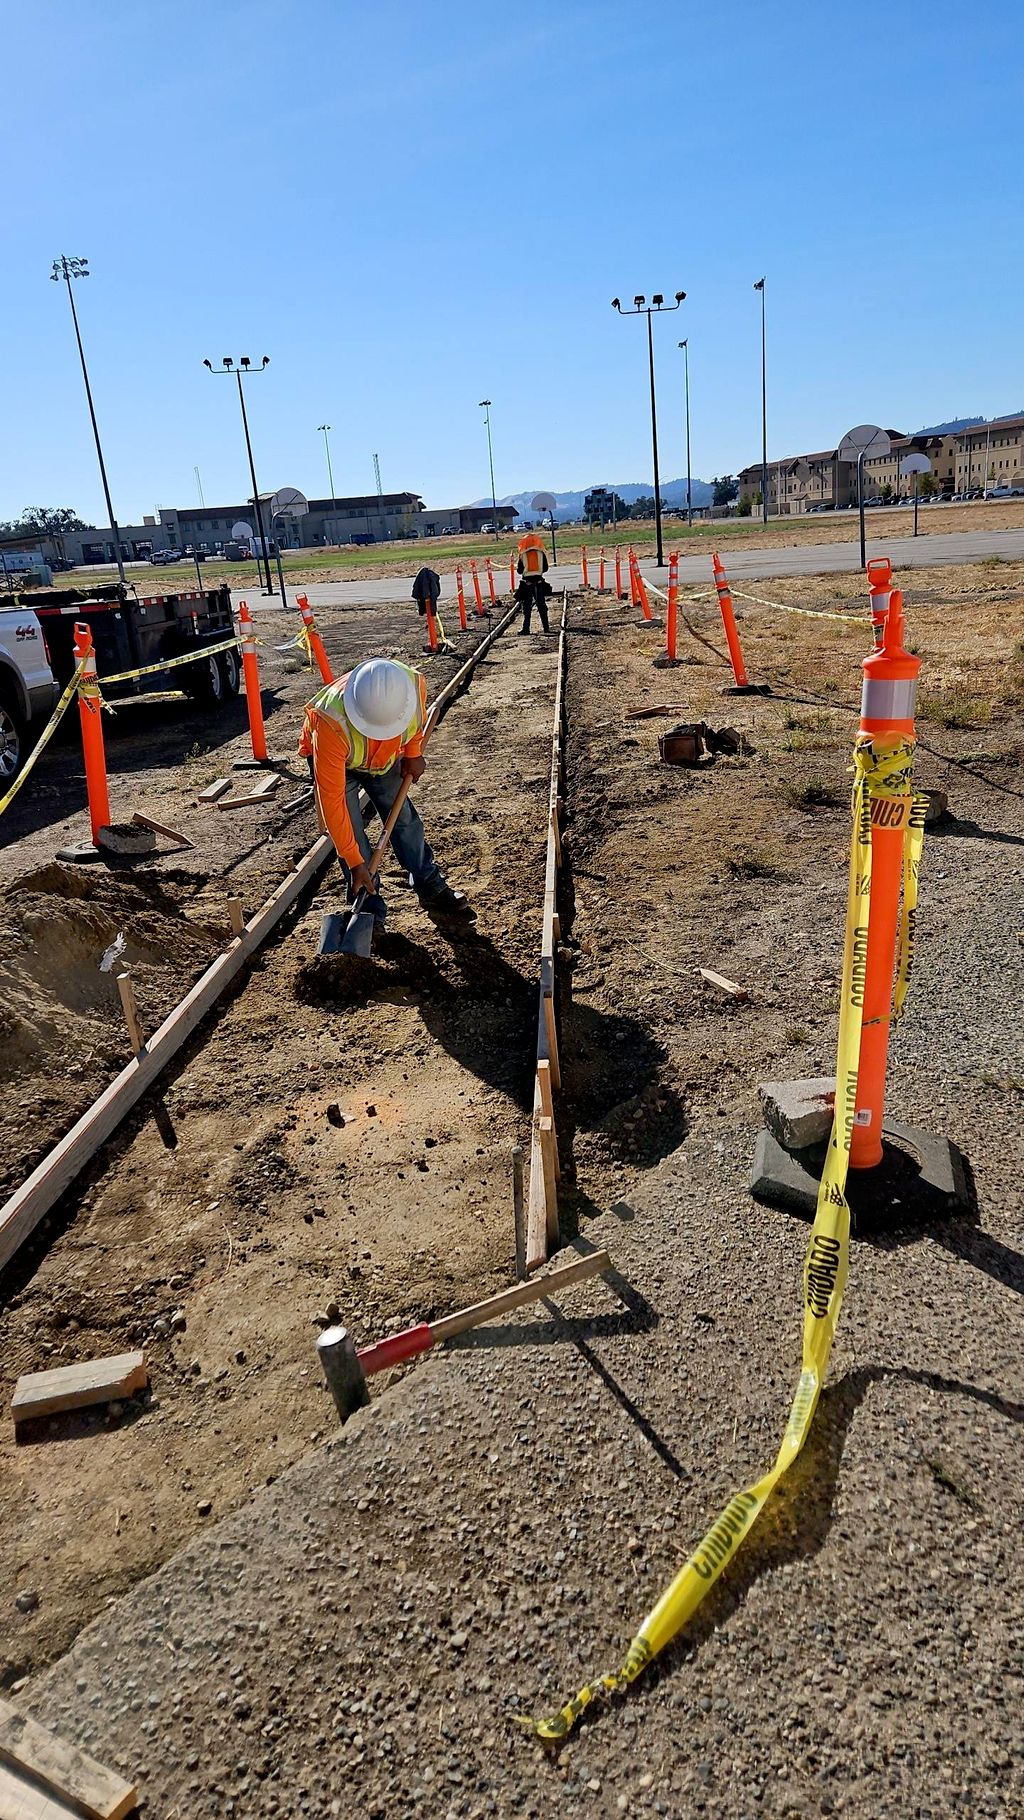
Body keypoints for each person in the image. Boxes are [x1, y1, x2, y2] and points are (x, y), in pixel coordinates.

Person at [298, 657, 474, 927]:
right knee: (352, 836)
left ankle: (430, 885)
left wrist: (413, 753)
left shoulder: (411, 686)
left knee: (403, 819)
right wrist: (356, 862)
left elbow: (417, 724)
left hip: (385, 759)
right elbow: (333, 803)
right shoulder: (330, 723)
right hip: (338, 762)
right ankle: (368, 905)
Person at [516, 532, 553, 635]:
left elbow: (519, 570)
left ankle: (526, 629)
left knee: (527, 607)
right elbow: (545, 568)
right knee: (542, 606)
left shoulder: (522, 555)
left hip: (527, 584)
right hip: (539, 582)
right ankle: (546, 628)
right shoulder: (541, 553)